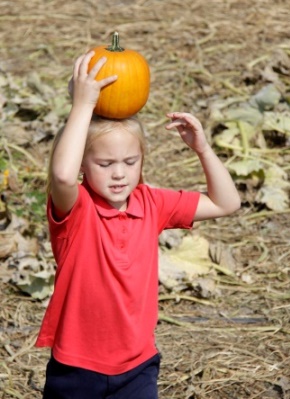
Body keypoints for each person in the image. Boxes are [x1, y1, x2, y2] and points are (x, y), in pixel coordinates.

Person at [36, 51, 241, 399]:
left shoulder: (152, 203)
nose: (119, 173)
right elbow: (61, 174)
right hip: (76, 369)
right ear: (83, 165)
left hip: (138, 367)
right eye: (104, 163)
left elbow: (227, 203)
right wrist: (82, 106)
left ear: (142, 160)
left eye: (130, 161)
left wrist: (203, 149)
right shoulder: (77, 210)